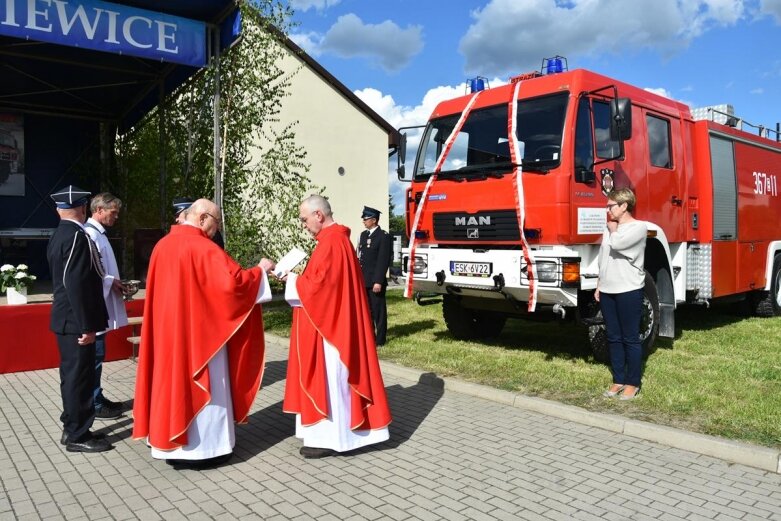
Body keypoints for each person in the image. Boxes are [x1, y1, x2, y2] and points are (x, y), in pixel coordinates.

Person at [132, 198, 275, 467]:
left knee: (169, 384)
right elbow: (233, 286)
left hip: (168, 336)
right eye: (215, 222)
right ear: (202, 218)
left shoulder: (161, 247)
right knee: (208, 387)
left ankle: (170, 444)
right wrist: (260, 271)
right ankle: (206, 449)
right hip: (201, 339)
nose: (216, 228)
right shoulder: (204, 249)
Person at [283, 195, 391, 458]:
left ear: (318, 215)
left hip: (332, 330)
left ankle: (334, 438)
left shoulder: (332, 242)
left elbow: (322, 288)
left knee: (333, 381)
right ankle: (331, 436)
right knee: (334, 381)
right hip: (331, 324)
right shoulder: (332, 241)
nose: (304, 225)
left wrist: (292, 280)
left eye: (304, 219)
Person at [47, 185, 112, 453]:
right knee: (80, 378)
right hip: (76, 322)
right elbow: (76, 284)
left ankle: (72, 426)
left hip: (67, 320)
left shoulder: (60, 234)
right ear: (83, 208)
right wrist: (87, 325)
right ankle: (78, 435)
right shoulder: (76, 236)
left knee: (72, 376)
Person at [595, 187, 647, 401]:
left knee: (630, 338)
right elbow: (603, 256)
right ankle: (618, 379)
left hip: (629, 289)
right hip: (608, 289)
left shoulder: (639, 228)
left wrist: (613, 230)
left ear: (624, 206)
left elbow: (618, 245)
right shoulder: (611, 228)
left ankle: (633, 383)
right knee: (613, 337)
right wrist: (599, 283)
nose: (608, 210)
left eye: (611, 206)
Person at [84, 192, 126, 420]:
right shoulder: (90, 234)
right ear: (99, 210)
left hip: (101, 305)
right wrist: (111, 282)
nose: (116, 217)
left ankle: (97, 395)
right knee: (95, 357)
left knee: (98, 356)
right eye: (113, 212)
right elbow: (92, 273)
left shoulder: (98, 234)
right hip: (95, 308)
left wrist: (114, 282)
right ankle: (94, 402)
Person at [357, 205, 392, 346]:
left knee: (378, 311)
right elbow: (360, 256)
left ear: (374, 220)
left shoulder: (383, 236)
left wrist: (378, 281)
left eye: (366, 219)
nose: (364, 221)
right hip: (363, 279)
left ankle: (380, 339)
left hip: (375, 281)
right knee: (367, 311)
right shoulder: (363, 235)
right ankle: (370, 336)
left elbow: (383, 260)